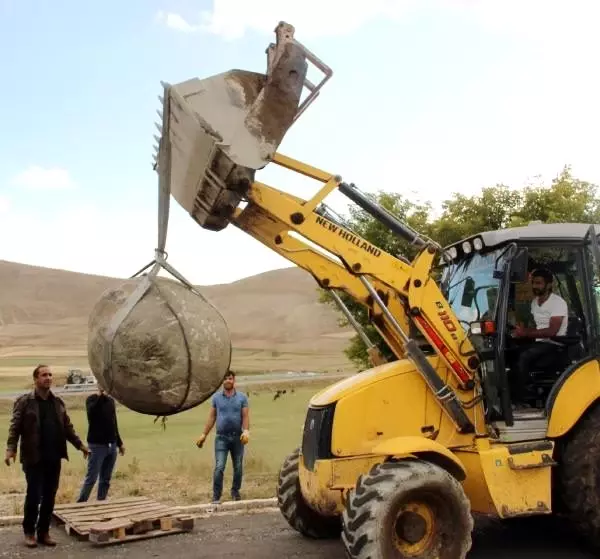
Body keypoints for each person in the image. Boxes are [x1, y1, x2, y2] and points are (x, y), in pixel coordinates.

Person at [4, 365, 89, 548]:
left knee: (50, 496)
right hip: (33, 457)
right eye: (44, 375)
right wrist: (11, 448)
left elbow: (67, 428)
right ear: (35, 379)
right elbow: (15, 426)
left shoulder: (57, 402)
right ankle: (29, 532)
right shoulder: (25, 401)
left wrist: (80, 446)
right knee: (34, 495)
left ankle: (44, 532)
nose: (48, 378)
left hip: (53, 456)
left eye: (50, 375)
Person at [511, 268, 569, 401]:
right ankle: (514, 392)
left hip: (554, 343)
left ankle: (527, 394)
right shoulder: (535, 302)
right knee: (510, 351)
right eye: (533, 283)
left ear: (549, 285)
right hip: (540, 343)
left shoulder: (557, 303)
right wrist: (519, 331)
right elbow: (537, 327)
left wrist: (525, 333)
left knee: (524, 356)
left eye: (538, 283)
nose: (534, 286)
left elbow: (551, 331)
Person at [195, 371, 250, 504]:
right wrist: (204, 434)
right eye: (225, 379)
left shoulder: (242, 398)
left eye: (230, 378)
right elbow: (212, 417)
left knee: (238, 467)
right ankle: (216, 496)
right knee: (219, 466)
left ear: (234, 380)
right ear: (222, 381)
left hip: (238, 438)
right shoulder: (216, 398)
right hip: (221, 438)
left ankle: (235, 491)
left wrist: (246, 431)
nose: (227, 381)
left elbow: (245, 416)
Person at [76, 387, 125, 502]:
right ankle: (81, 504)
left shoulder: (111, 401)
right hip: (97, 446)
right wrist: (100, 396)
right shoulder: (91, 400)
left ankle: (101, 502)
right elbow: (92, 414)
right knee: (91, 478)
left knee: (106, 479)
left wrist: (119, 443)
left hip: (111, 445)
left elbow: (114, 423)